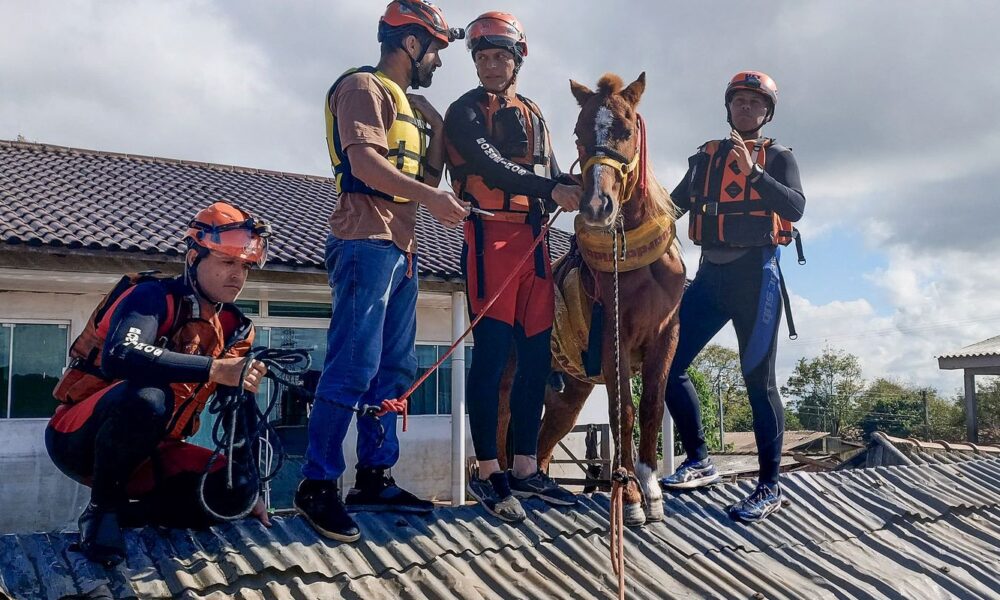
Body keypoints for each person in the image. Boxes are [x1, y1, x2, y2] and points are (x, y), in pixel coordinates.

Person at [296, 0, 470, 543]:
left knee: (392, 369)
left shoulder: (408, 105)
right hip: (364, 241)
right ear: (411, 43)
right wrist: (433, 200)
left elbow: (428, 175)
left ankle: (374, 476)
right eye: (436, 50)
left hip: (402, 247)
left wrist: (436, 125)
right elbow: (366, 163)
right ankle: (316, 483)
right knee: (353, 363)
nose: (438, 61)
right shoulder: (362, 88)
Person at [46, 201, 273, 566]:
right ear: (194, 257)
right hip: (79, 438)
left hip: (155, 450)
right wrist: (214, 368)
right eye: (227, 262)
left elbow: (238, 412)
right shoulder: (153, 296)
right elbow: (121, 354)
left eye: (245, 266)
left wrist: (250, 489)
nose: (237, 275)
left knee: (236, 492)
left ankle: (128, 515)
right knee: (150, 397)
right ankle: (101, 512)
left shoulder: (237, 329)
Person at [443, 11, 582, 522]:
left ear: (517, 60)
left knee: (536, 360)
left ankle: (526, 468)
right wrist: (551, 189)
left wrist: (581, 184)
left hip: (536, 241)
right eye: (482, 57)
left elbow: (550, 171)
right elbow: (489, 165)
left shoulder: (534, 112)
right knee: (492, 357)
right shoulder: (464, 111)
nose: (490, 65)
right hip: (491, 239)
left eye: (500, 57)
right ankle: (487, 471)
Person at [659, 71, 806, 522]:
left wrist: (754, 172)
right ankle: (700, 461)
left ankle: (769, 487)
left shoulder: (778, 157)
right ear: (728, 107)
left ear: (767, 113)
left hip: (756, 279)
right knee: (667, 366)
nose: (746, 107)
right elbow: (670, 208)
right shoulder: (704, 158)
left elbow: (795, 207)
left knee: (759, 384)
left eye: (755, 102)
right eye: (739, 100)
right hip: (710, 277)